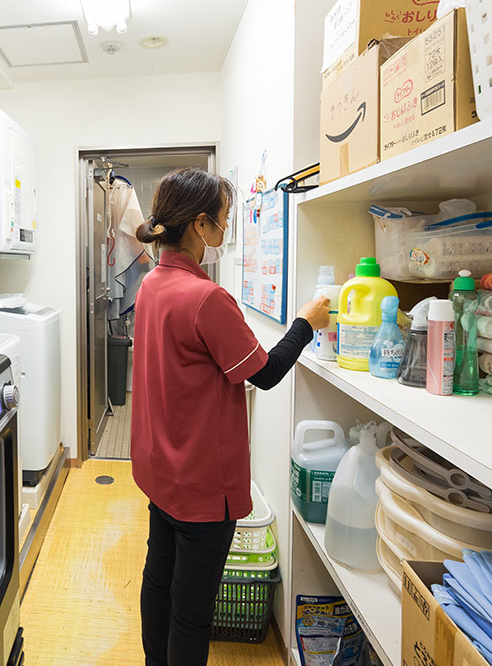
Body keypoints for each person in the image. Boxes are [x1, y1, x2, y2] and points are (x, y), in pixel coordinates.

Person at [131, 168, 331, 666]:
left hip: (161, 472)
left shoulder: (152, 284)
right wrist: (306, 321)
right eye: (223, 221)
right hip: (201, 483)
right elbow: (263, 373)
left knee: (158, 580)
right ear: (200, 225)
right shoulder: (206, 299)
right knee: (192, 611)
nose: (226, 232)